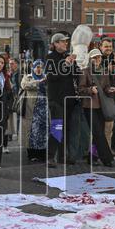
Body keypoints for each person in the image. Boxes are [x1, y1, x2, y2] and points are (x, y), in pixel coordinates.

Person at [44, 33, 78, 165]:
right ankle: (50, 156)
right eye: (63, 42)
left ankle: (63, 156)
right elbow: (52, 77)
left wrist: (74, 64)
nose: (66, 44)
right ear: (56, 44)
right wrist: (66, 64)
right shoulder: (50, 57)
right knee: (57, 128)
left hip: (69, 98)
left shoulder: (66, 56)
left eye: (66, 42)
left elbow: (76, 74)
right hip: (56, 99)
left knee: (67, 128)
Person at [78, 49, 115, 167]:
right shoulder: (85, 71)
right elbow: (80, 89)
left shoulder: (104, 72)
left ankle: (92, 156)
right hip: (89, 106)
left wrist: (110, 90)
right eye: (94, 58)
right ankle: (107, 158)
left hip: (101, 106)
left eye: (99, 57)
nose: (97, 60)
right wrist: (90, 90)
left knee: (97, 133)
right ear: (90, 59)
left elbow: (106, 88)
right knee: (99, 132)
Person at [22, 60, 49, 162]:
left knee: (43, 131)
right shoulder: (28, 77)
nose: (39, 69)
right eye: (37, 67)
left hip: (44, 109)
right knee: (32, 131)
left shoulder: (46, 77)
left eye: (41, 67)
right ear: (33, 68)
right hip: (32, 109)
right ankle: (32, 154)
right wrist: (39, 82)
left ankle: (42, 154)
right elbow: (24, 85)